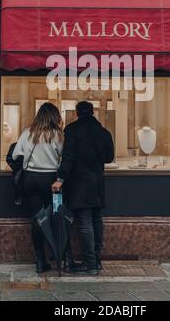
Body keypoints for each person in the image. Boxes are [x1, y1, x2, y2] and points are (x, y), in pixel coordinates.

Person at [52, 101, 115, 276]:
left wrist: (61, 179)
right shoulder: (104, 132)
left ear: (77, 113)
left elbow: (68, 157)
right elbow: (109, 157)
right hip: (97, 182)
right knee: (96, 219)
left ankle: (90, 263)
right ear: (93, 112)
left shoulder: (72, 130)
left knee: (85, 223)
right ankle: (96, 258)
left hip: (79, 184)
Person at [13, 102, 63, 274]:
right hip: (51, 179)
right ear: (55, 116)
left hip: (30, 179)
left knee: (37, 221)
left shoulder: (28, 133)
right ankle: (58, 256)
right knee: (53, 218)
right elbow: (64, 156)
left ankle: (40, 260)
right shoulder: (58, 134)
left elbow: (15, 155)